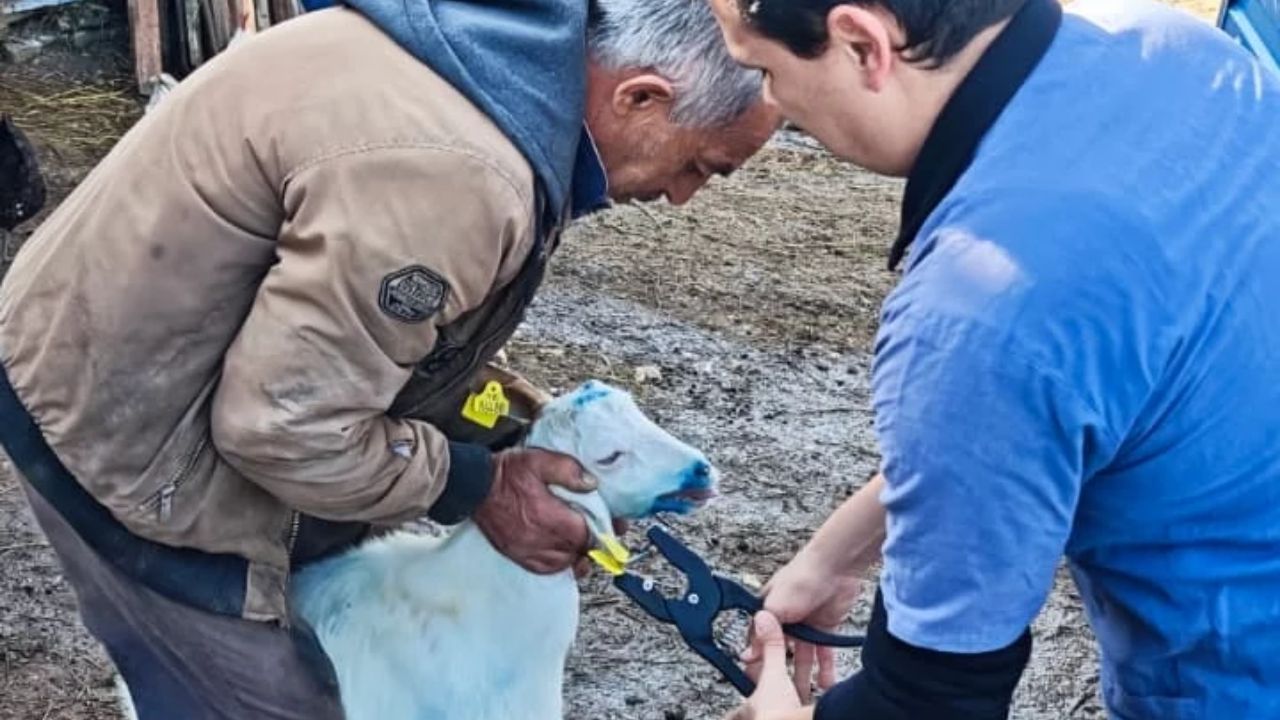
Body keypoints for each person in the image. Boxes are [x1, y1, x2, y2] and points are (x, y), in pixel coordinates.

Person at [0, 0, 778, 717]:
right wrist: (478, 484)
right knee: (264, 698)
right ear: (640, 98)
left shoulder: (493, 63)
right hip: (120, 425)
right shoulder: (460, 172)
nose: (683, 196)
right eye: (700, 166)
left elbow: (383, 341)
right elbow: (283, 424)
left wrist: (505, 434)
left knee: (335, 608)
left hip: (135, 354)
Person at [709, 0, 1280, 718]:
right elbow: (1065, 395)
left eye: (764, 69)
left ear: (861, 44)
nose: (773, 102)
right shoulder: (1178, 51)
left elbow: (931, 704)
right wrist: (835, 553)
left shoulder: (976, 303)